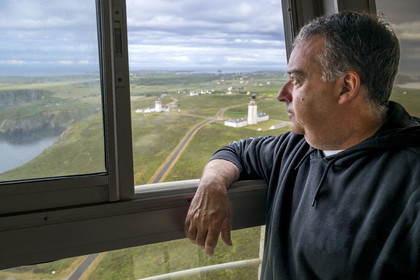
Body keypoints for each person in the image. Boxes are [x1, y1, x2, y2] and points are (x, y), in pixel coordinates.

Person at [184, 11, 420, 279]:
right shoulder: (296, 147)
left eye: (297, 80)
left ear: (346, 86)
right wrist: (212, 183)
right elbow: (235, 152)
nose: (281, 94)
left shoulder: (412, 183)